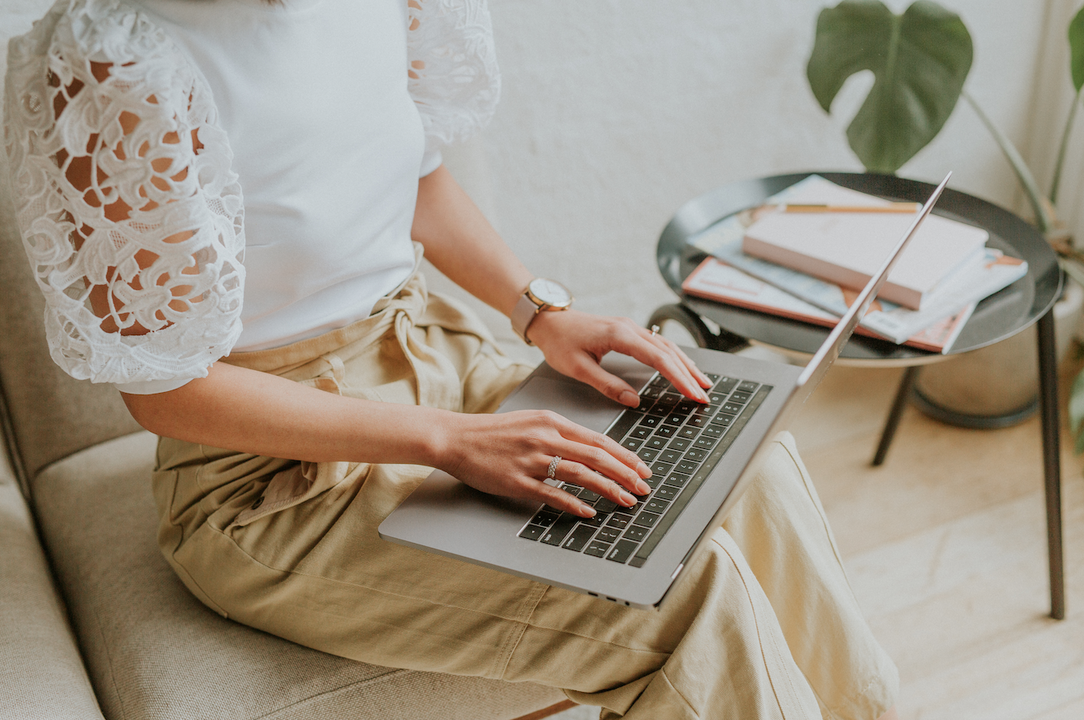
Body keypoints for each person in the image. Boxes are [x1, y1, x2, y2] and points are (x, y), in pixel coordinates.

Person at [4, 0, 900, 717]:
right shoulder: (118, 58)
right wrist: (446, 440)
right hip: (274, 479)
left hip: (437, 352)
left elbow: (418, 180)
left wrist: (541, 311)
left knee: (748, 465)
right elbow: (167, 393)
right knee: (682, 597)